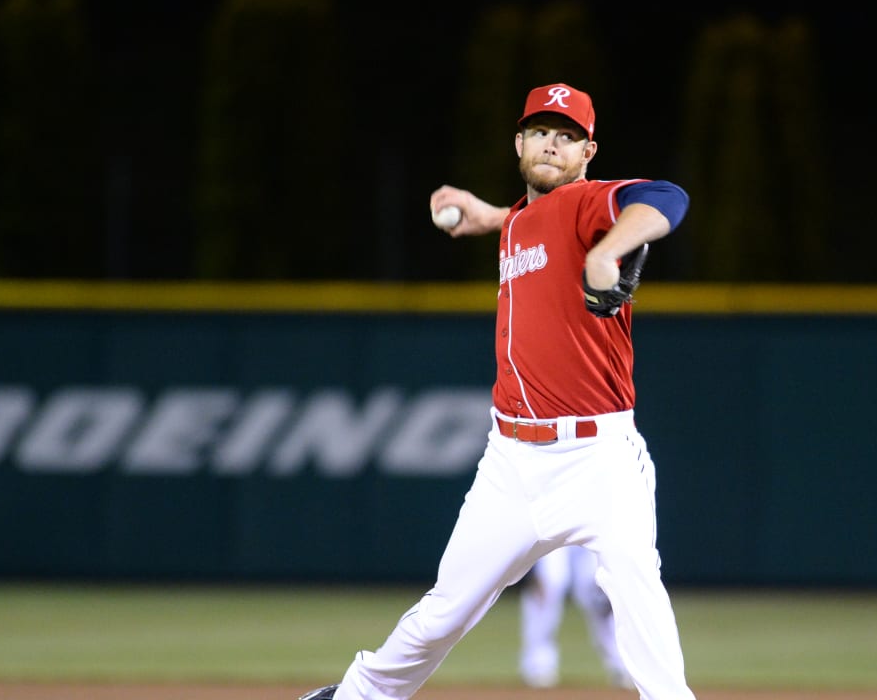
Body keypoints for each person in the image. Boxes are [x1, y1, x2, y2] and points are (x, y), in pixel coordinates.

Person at [295, 82, 693, 700]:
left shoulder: (587, 205)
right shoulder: (523, 224)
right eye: (541, 132)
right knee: (446, 610)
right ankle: (356, 696)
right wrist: (492, 217)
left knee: (635, 587)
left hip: (598, 458)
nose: (552, 146)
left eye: (568, 137)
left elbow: (667, 197)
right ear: (519, 142)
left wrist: (609, 251)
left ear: (589, 153)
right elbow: (536, 225)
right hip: (511, 461)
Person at [520, 547, 632, 689]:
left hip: (588, 531)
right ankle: (538, 665)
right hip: (551, 531)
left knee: (600, 589)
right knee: (549, 583)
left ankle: (621, 664)